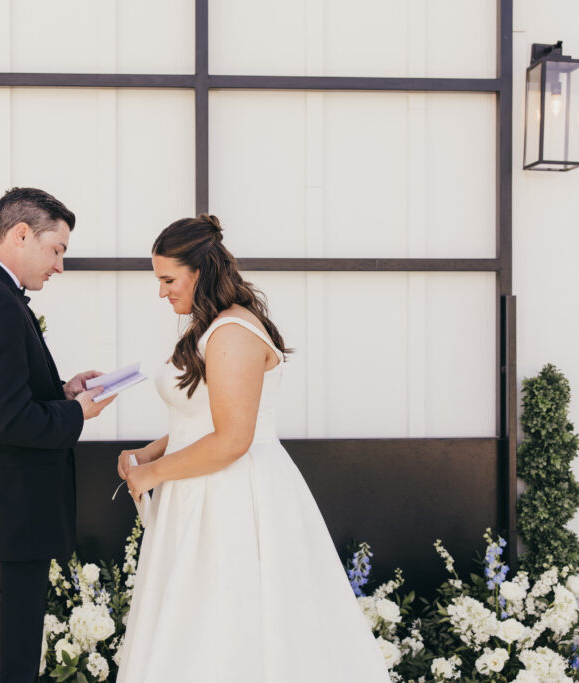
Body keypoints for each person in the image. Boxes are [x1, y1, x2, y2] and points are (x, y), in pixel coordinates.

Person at [116, 214, 392, 682]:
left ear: (199, 272)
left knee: (229, 623)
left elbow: (233, 438)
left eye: (167, 279)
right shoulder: (211, 327)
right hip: (199, 489)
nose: (162, 291)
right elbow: (200, 418)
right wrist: (149, 454)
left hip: (231, 497)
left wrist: (152, 475)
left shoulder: (233, 333)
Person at [0, 187, 116, 683]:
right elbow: (7, 420)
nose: (59, 266)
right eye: (56, 249)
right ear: (21, 234)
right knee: (5, 671)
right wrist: (77, 414)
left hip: (1, 522)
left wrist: (62, 392)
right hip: (1, 524)